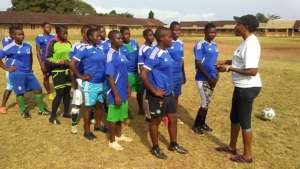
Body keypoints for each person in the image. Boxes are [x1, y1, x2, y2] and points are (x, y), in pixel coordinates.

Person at [216, 15, 262, 163]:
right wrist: (227, 61)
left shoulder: (251, 44)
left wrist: (229, 68)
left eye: (238, 24)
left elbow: (252, 70)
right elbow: (241, 62)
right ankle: (232, 146)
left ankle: (247, 155)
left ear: (245, 26)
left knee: (244, 121)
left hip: (247, 88)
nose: (235, 26)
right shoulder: (245, 42)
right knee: (234, 117)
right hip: (240, 86)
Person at [140, 27, 188, 160]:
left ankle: (173, 144)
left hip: (169, 94)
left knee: (172, 119)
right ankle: (155, 147)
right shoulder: (154, 53)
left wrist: (171, 90)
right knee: (155, 122)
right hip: (156, 96)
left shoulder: (165, 51)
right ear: (162, 38)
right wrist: (154, 90)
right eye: (169, 37)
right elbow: (143, 73)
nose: (172, 39)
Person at [0, 26, 48, 119]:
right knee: (20, 92)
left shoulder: (27, 45)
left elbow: (30, 56)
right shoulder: (9, 47)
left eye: (22, 34)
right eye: (19, 34)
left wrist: (30, 67)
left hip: (28, 72)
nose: (22, 36)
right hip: (16, 73)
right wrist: (6, 68)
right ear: (13, 36)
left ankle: (41, 110)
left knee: (38, 89)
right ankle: (23, 111)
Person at [70, 28, 107, 140]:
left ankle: (98, 124)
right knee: (88, 107)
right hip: (90, 84)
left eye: (100, 36)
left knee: (100, 105)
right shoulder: (84, 49)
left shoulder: (101, 48)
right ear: (90, 37)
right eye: (97, 36)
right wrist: (80, 76)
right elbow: (72, 64)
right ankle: (87, 130)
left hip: (101, 82)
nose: (99, 38)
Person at [106, 30, 132, 150]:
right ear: (111, 40)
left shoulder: (120, 52)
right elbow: (109, 76)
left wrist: (127, 86)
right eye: (118, 38)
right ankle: (112, 141)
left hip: (123, 89)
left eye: (121, 38)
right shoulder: (110, 55)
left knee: (120, 115)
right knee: (113, 117)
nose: (121, 40)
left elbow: (123, 71)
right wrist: (116, 94)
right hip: (114, 91)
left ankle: (118, 135)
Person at [193, 23, 219, 135]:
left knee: (207, 102)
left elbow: (214, 62)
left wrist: (216, 76)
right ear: (205, 32)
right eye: (210, 32)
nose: (212, 34)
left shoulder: (214, 45)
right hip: (202, 79)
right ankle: (196, 125)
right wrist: (209, 79)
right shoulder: (200, 45)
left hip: (212, 79)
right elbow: (198, 64)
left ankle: (203, 123)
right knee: (204, 103)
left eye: (214, 32)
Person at [45, 25, 72, 125]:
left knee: (67, 93)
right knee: (59, 94)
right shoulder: (53, 43)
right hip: (57, 72)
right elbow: (47, 58)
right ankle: (52, 117)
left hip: (68, 71)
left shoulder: (69, 43)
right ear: (58, 33)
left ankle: (65, 112)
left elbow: (71, 56)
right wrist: (61, 62)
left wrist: (70, 62)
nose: (66, 35)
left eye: (66, 33)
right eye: (63, 33)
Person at [69, 25, 91, 134]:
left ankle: (92, 120)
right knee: (77, 102)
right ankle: (73, 124)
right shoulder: (76, 46)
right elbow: (71, 66)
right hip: (80, 80)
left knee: (91, 103)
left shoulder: (96, 46)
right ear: (82, 34)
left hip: (92, 81)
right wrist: (73, 84)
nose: (88, 35)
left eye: (89, 33)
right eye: (86, 33)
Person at [120, 26, 144, 115]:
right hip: (127, 74)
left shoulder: (134, 43)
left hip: (136, 73)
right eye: (125, 34)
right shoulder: (120, 46)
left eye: (128, 33)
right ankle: (126, 111)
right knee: (127, 93)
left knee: (140, 92)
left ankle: (141, 108)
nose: (127, 36)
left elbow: (139, 55)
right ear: (121, 35)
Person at [167, 21, 186, 124]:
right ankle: (165, 115)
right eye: (175, 30)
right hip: (168, 74)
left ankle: (174, 115)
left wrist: (183, 73)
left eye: (179, 30)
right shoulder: (166, 41)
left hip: (178, 74)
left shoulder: (180, 42)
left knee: (176, 96)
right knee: (168, 96)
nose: (177, 32)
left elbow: (182, 60)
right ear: (170, 30)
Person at [138, 28, 155, 120]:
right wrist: (144, 79)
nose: (151, 37)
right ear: (144, 37)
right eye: (149, 35)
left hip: (155, 77)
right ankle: (147, 115)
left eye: (152, 34)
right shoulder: (142, 49)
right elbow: (141, 65)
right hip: (147, 77)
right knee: (147, 96)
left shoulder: (155, 47)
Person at [35, 22, 55, 100]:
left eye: (50, 27)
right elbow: (37, 52)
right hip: (45, 61)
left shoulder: (54, 36)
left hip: (54, 61)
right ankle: (49, 93)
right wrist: (41, 64)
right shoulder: (39, 37)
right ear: (43, 28)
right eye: (47, 27)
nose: (49, 28)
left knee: (56, 76)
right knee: (46, 77)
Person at [0, 26, 16, 114]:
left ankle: (20, 100)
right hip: (10, 67)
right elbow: (9, 49)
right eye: (14, 34)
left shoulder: (19, 41)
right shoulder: (6, 40)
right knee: (9, 86)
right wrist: (6, 67)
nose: (17, 36)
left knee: (20, 84)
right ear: (10, 33)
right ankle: (2, 106)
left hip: (19, 67)